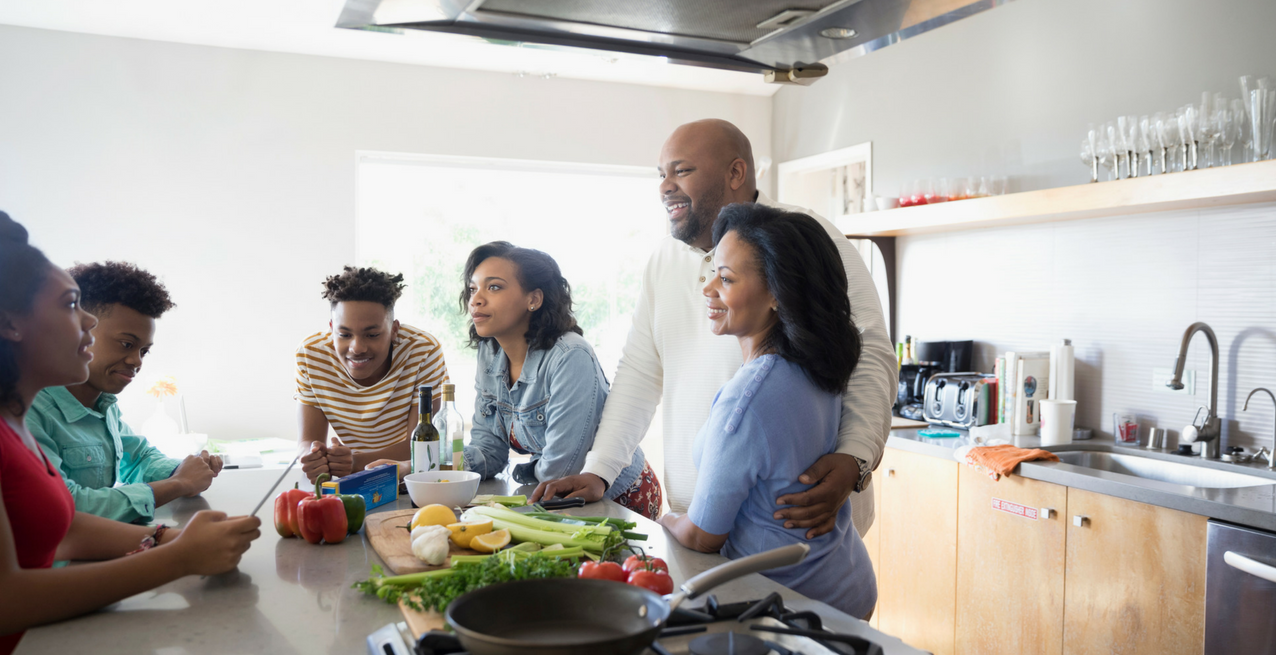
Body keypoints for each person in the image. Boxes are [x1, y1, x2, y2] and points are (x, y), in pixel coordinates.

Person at [534, 120, 896, 538]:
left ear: (736, 173)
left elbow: (869, 351)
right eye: (661, 174)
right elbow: (639, 373)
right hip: (700, 525)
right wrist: (600, 470)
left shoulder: (804, 240)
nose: (665, 186)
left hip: (794, 528)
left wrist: (855, 456)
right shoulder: (662, 262)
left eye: (681, 170)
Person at [0, 212, 260, 655]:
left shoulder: (15, 423)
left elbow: (66, 527)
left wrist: (166, 536)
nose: (86, 322)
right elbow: (7, 599)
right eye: (69, 305)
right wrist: (178, 559)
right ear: (10, 324)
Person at [661, 203, 877, 618]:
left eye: (725, 279)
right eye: (712, 274)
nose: (708, 289)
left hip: (794, 602)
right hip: (845, 581)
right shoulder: (816, 365)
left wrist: (666, 520)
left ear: (777, 294)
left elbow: (703, 535)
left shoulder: (747, 400)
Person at [460, 242, 662, 519]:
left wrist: (519, 476)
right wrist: (426, 467)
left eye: (493, 287)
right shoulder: (490, 352)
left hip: (616, 496)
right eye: (473, 289)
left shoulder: (570, 355)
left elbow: (563, 470)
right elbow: (488, 449)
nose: (476, 299)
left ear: (534, 299)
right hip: (551, 499)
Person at [27, 262, 222, 523]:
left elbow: (138, 456)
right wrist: (177, 484)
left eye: (144, 351)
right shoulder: (29, 410)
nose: (137, 361)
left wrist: (184, 469)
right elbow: (67, 507)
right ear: (77, 330)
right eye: (126, 344)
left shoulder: (103, 405)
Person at [296, 266, 449, 482]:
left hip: (408, 478)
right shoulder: (311, 355)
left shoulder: (422, 351)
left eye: (372, 334)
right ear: (331, 329)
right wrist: (313, 458)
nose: (357, 347)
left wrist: (355, 463)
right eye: (344, 334)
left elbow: (422, 445)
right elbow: (307, 443)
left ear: (394, 329)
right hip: (349, 481)